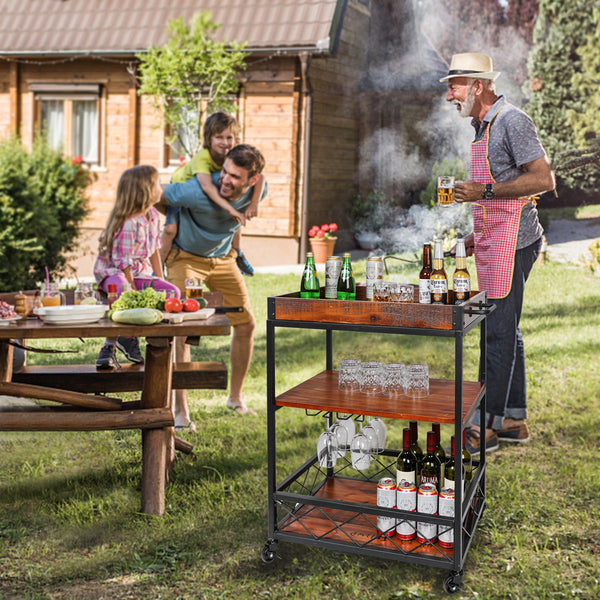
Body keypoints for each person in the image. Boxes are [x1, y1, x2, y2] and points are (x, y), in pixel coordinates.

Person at [441, 53, 555, 454]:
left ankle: (485, 427)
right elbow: (503, 182)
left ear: (477, 86)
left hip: (517, 241)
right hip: (495, 237)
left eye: (454, 86)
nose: (449, 95)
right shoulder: (481, 127)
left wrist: (483, 192)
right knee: (506, 327)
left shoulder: (511, 120)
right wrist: (478, 233)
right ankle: (513, 419)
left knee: (497, 331)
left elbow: (543, 178)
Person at [163, 144, 267, 428]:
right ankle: (180, 411)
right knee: (183, 331)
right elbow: (156, 193)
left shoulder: (258, 190)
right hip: (185, 259)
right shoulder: (195, 192)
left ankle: (235, 398)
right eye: (225, 171)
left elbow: (264, 182)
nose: (226, 179)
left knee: (245, 325)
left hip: (222, 260)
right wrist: (168, 224)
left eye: (235, 176)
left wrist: (255, 201)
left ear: (251, 181)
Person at [94, 165, 181, 369]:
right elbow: (122, 262)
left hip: (137, 272)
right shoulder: (129, 223)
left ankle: (153, 340)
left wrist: (161, 279)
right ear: (145, 190)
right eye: (157, 184)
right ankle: (116, 342)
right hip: (113, 273)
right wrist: (133, 291)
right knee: (123, 292)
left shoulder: (152, 215)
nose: (161, 187)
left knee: (172, 293)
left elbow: (153, 252)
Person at [160, 112, 263, 277]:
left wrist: (254, 203)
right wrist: (231, 209)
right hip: (180, 188)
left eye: (229, 137)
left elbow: (260, 176)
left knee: (234, 221)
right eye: (219, 137)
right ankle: (158, 271)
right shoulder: (203, 158)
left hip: (201, 197)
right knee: (171, 229)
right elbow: (208, 187)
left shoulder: (231, 157)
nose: (225, 142)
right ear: (209, 139)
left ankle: (238, 253)